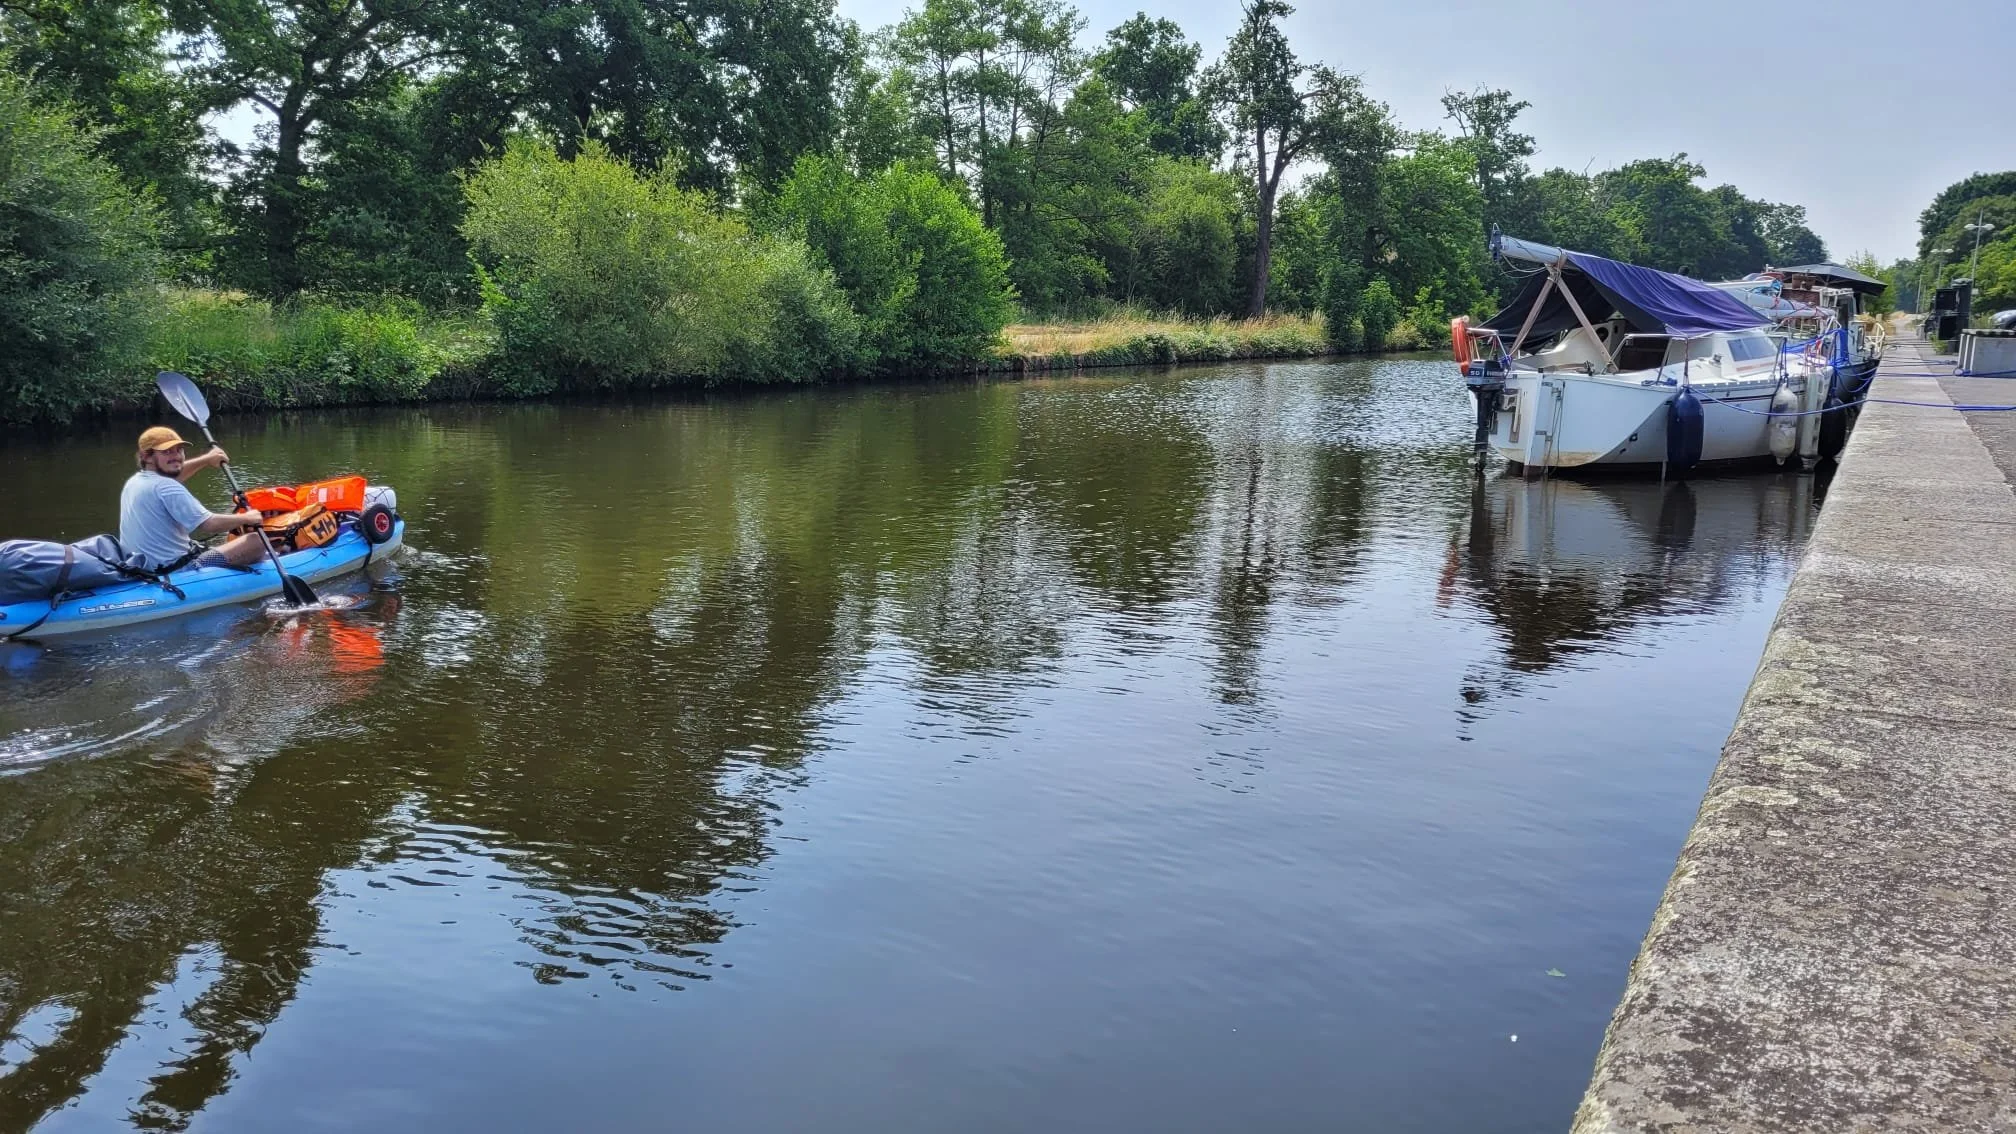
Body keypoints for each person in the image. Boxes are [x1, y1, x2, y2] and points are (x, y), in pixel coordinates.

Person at [119, 427, 266, 571]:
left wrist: (207, 460)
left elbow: (173, 475)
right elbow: (210, 525)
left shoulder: (136, 481)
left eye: (179, 450)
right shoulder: (167, 487)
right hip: (175, 570)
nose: (176, 456)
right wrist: (247, 518)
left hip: (141, 568)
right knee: (256, 541)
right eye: (166, 452)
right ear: (146, 457)